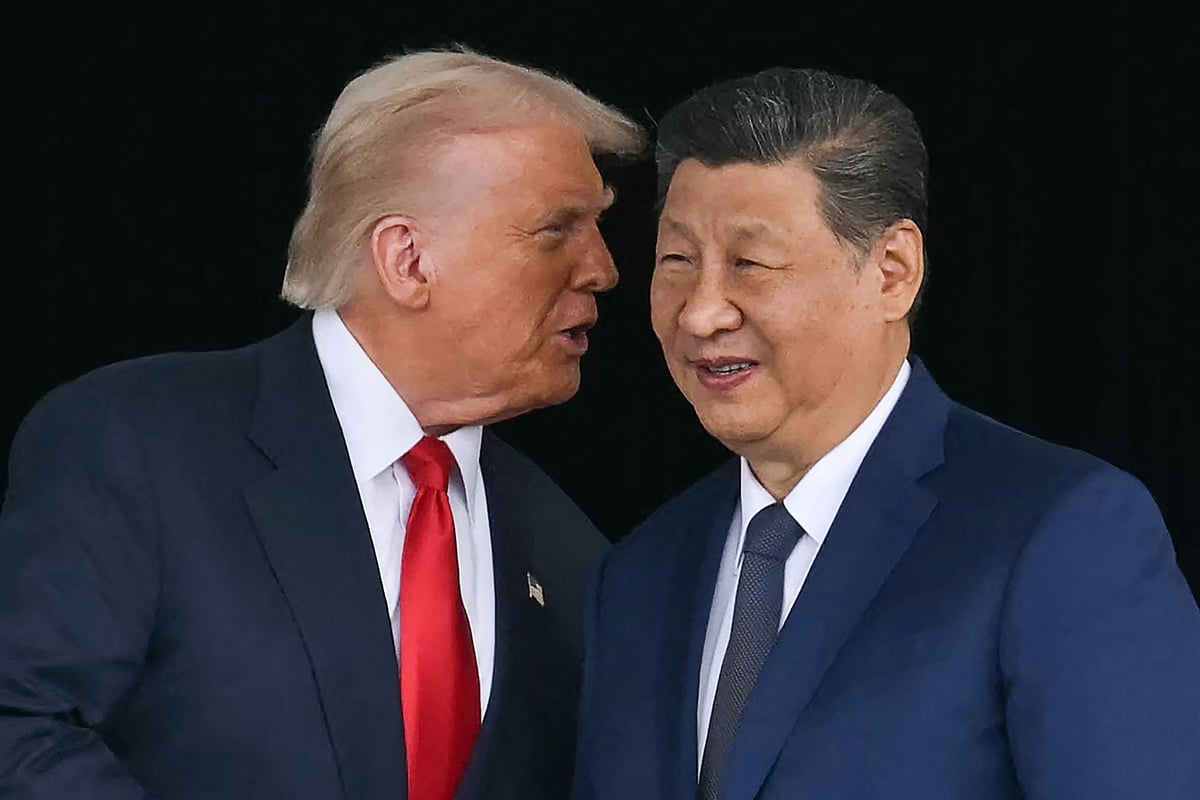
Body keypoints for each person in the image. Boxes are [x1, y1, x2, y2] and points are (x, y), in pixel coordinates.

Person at [1, 49, 643, 799]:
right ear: (407, 258)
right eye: (557, 229)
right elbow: (20, 724)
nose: (602, 268)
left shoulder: (574, 554)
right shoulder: (137, 443)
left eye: (596, 228)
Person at [574, 67, 1200, 799]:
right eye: (677, 261)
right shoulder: (640, 573)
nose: (700, 313)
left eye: (750, 262)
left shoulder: (1060, 534)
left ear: (893, 272)